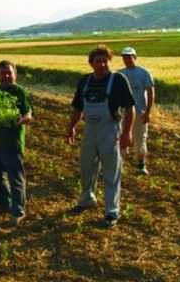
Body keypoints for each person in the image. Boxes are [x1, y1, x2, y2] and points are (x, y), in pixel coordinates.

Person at [66, 45, 135, 227]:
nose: (103, 64)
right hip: (90, 129)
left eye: (106, 60)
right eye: (98, 61)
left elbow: (130, 108)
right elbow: (78, 107)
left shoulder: (118, 79)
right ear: (91, 63)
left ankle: (112, 212)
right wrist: (72, 127)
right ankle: (87, 198)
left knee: (111, 171)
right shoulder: (85, 81)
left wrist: (127, 133)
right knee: (87, 167)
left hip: (110, 130)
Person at [0, 60, 33, 227]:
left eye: (9, 72)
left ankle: (18, 211)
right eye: (3, 73)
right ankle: (4, 205)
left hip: (12, 143)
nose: (6, 76)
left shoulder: (19, 91)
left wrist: (20, 120)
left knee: (16, 178)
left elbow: (28, 113)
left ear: (15, 74)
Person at [118, 47, 155, 175]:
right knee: (121, 137)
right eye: (125, 57)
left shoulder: (144, 73)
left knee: (140, 138)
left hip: (140, 112)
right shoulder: (119, 74)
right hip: (123, 112)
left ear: (135, 57)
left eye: (129, 57)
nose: (127, 59)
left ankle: (141, 166)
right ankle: (119, 166)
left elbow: (150, 92)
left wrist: (148, 111)